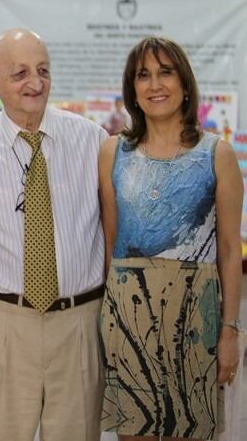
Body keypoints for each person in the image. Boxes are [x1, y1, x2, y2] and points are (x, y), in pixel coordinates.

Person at [0, 28, 108, 441]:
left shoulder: (92, 140)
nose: (35, 83)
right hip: (6, 324)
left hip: (80, 323)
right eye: (19, 73)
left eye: (43, 70)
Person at [98, 36, 242, 440]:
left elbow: (230, 252)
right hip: (128, 317)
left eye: (165, 72)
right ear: (133, 90)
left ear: (184, 85)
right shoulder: (112, 153)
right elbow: (111, 244)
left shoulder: (217, 154)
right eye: (143, 75)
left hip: (196, 318)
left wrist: (230, 331)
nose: (154, 84)